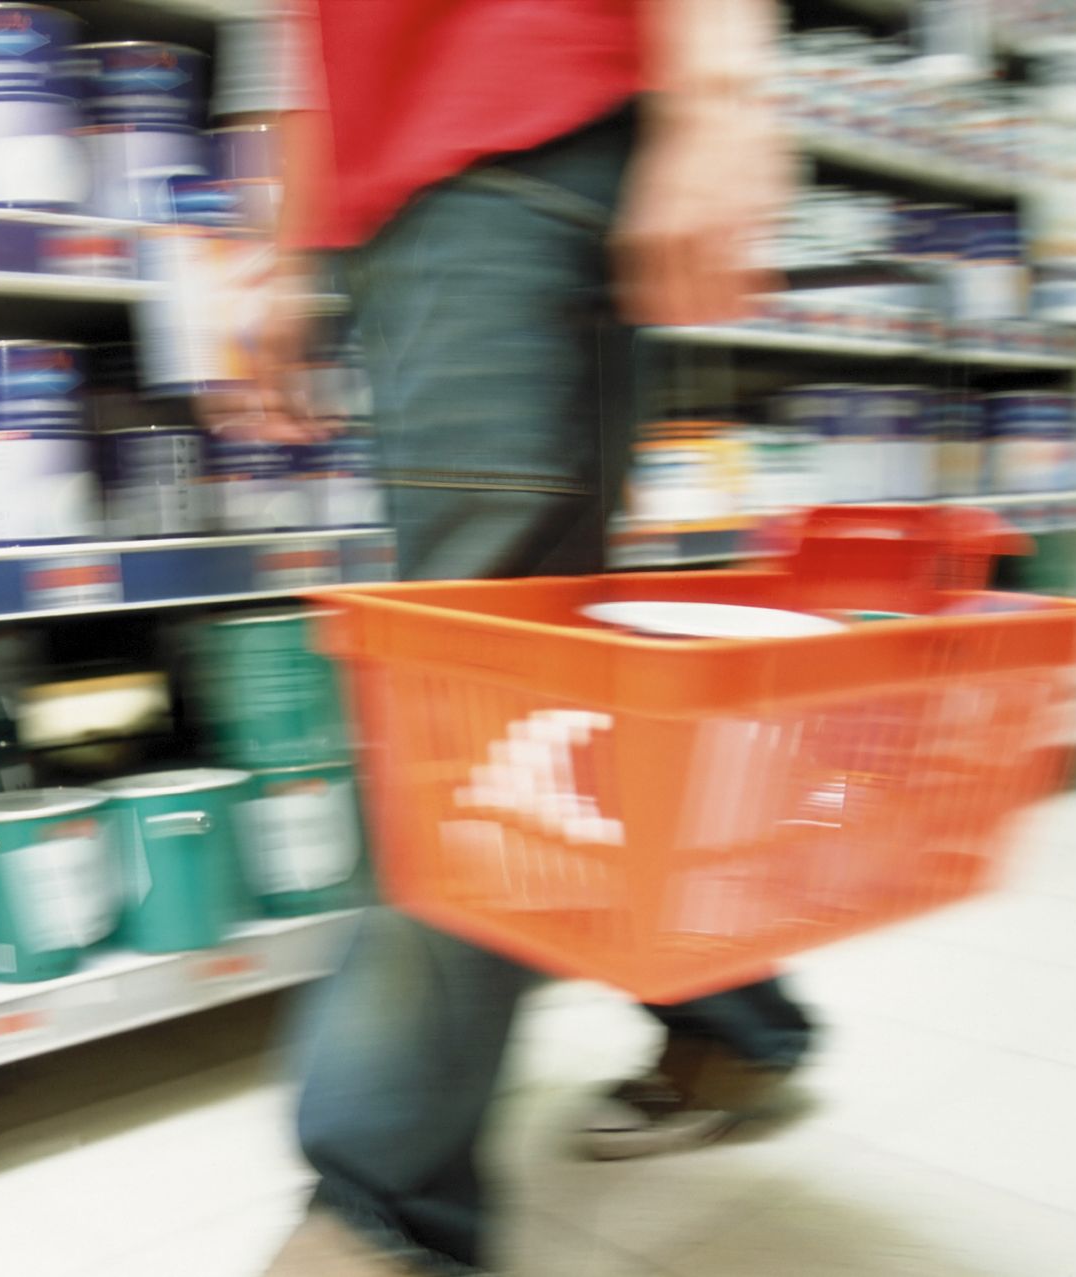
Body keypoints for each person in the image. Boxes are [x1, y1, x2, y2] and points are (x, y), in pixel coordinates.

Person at [204, 2, 816, 1272]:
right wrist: (290, 244)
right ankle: (736, 1026)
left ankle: (386, 1200)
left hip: (517, 142)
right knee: (543, 684)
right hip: (412, 199)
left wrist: (718, 91)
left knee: (465, 695)